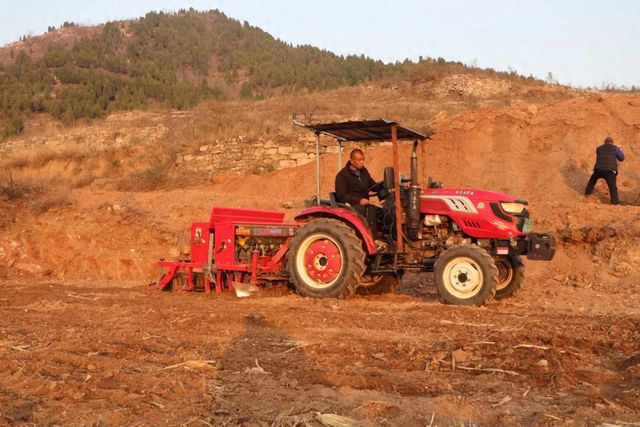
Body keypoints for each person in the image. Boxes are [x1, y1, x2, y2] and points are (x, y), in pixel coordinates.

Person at [584, 136, 625, 205]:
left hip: (598, 170)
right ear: (612, 143)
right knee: (613, 188)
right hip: (610, 171)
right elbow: (621, 158)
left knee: (592, 180)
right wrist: (619, 149)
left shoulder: (599, 148)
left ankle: (587, 193)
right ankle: (615, 203)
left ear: (605, 142)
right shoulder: (615, 148)